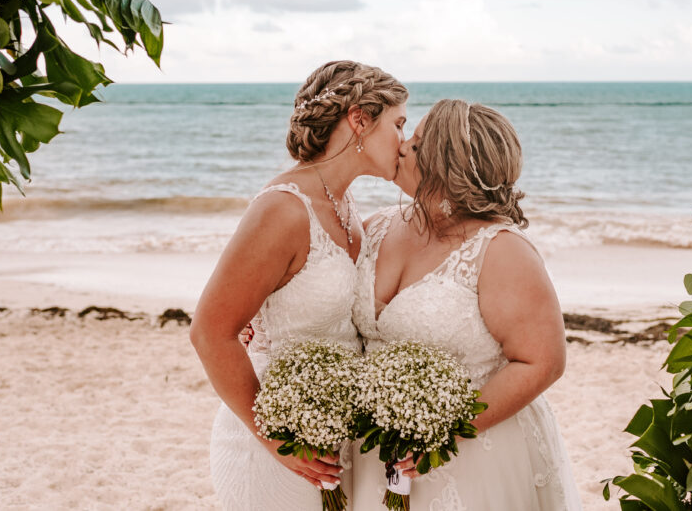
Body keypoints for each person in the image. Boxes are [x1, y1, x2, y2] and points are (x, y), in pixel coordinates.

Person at [190, 60, 408, 510]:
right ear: (359, 120)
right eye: (398, 123)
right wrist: (276, 439)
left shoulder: (346, 205)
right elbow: (210, 331)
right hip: (278, 449)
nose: (403, 141)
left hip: (335, 441)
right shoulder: (284, 209)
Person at [351, 99, 583, 510]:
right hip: (376, 451)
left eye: (418, 145)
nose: (402, 146)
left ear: (448, 168)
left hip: (473, 455)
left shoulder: (502, 251)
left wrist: (447, 432)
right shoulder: (376, 226)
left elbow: (542, 362)